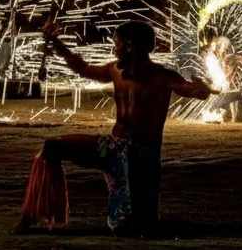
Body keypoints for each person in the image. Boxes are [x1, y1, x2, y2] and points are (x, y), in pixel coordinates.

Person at [13, 19, 216, 235]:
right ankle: (30, 217)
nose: (113, 48)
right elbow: (84, 69)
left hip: (141, 155)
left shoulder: (162, 77)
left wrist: (201, 89)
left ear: (130, 46)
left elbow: (189, 90)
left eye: (117, 43)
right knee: (52, 147)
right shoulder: (114, 70)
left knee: (131, 225)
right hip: (111, 147)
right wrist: (56, 43)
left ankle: (140, 218)